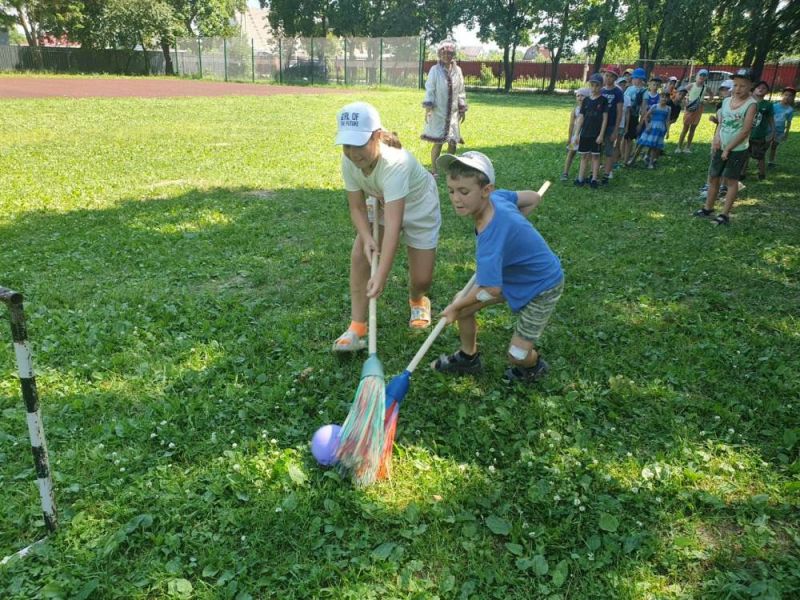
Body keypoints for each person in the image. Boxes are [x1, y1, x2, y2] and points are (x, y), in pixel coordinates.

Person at [432, 151, 563, 384]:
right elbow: (533, 198)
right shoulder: (499, 198)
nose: (456, 199)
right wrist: (514, 229)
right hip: (511, 276)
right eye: (451, 190)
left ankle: (534, 368)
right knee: (462, 304)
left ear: (486, 191)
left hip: (542, 284)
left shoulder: (491, 234)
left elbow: (490, 289)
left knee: (518, 355)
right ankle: (468, 357)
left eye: (464, 192)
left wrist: (455, 307)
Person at [333, 101, 441, 351]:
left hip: (419, 205)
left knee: (422, 279)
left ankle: (417, 300)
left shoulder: (394, 164)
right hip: (383, 201)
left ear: (377, 137)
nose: (353, 153)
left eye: (359, 144)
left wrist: (381, 274)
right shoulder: (349, 161)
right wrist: (367, 237)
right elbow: (356, 207)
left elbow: (393, 227)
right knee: (360, 255)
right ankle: (357, 327)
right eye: (347, 145)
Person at [693, 69, 757, 226]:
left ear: (751, 86)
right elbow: (721, 122)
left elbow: (745, 130)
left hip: (737, 149)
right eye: (735, 85)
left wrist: (729, 148)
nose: (738, 89)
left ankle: (724, 214)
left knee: (730, 180)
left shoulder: (751, 104)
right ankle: (708, 208)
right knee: (714, 177)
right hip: (720, 145)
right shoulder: (727, 101)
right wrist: (716, 139)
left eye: (743, 86)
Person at [421, 39, 467, 175]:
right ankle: (434, 170)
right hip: (438, 111)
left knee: (453, 141)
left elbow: (461, 90)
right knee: (438, 142)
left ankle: (450, 169)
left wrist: (462, 107)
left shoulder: (458, 70)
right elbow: (430, 89)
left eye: (449, 53)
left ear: (453, 54)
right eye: (444, 53)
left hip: (452, 113)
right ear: (440, 54)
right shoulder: (434, 70)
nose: (446, 55)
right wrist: (428, 108)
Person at [574, 73, 609, 189]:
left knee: (595, 157)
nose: (594, 88)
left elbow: (605, 119)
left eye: (597, 86)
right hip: (585, 133)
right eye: (592, 85)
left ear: (601, 86)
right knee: (584, 156)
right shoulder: (586, 100)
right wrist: (577, 134)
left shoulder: (603, 100)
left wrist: (601, 135)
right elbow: (581, 118)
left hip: (596, 134)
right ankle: (580, 178)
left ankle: (594, 179)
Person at [741, 80, 775, 181]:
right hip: (746, 133)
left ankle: (762, 173)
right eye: (758, 87)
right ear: (754, 89)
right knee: (744, 154)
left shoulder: (768, 105)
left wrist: (773, 132)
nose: (761, 89)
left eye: (764, 88)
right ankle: (742, 173)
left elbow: (771, 120)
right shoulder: (748, 102)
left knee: (760, 155)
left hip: (759, 135)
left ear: (767, 92)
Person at [630, 91, 671, 168]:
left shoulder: (668, 109)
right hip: (651, 127)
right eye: (662, 97)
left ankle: (650, 163)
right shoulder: (654, 106)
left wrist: (668, 131)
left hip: (660, 129)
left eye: (666, 97)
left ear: (668, 99)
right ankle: (633, 160)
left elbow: (667, 120)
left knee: (654, 147)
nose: (664, 99)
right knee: (641, 144)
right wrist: (647, 125)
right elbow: (646, 116)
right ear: (659, 98)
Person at [600, 67, 624, 184]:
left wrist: (616, 130)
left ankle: (606, 173)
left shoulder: (618, 92)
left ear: (615, 78)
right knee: (597, 150)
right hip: (599, 125)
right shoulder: (601, 90)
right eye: (606, 75)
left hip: (611, 126)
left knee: (609, 150)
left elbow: (620, 112)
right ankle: (594, 172)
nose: (607, 78)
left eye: (611, 76)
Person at [677, 68, 710, 153]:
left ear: (706, 77)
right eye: (701, 75)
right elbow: (682, 91)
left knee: (693, 129)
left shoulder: (706, 87)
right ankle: (678, 147)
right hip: (689, 109)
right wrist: (686, 100)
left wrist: (706, 102)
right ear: (697, 76)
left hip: (699, 109)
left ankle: (687, 147)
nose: (702, 77)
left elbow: (711, 95)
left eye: (704, 75)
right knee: (685, 128)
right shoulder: (692, 85)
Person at [561, 88, 590, 181]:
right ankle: (565, 173)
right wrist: (569, 138)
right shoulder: (575, 110)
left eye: (582, 95)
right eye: (578, 96)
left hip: (585, 135)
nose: (580, 98)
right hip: (575, 136)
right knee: (571, 153)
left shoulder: (589, 109)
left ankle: (582, 175)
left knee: (585, 156)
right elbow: (571, 125)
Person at [621, 68, 647, 164]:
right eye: (634, 78)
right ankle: (622, 156)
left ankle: (626, 160)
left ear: (641, 79)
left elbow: (644, 109)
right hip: (625, 116)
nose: (635, 80)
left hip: (634, 117)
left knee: (629, 139)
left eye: (637, 78)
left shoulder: (644, 91)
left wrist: (640, 124)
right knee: (623, 137)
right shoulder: (629, 89)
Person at [769, 86, 796, 166]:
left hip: (780, 131)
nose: (787, 97)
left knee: (774, 146)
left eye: (790, 95)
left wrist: (786, 132)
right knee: (765, 146)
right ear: (782, 95)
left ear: (793, 98)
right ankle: (760, 160)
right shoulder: (774, 106)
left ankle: (771, 161)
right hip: (769, 129)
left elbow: (789, 121)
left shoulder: (790, 109)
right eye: (786, 95)